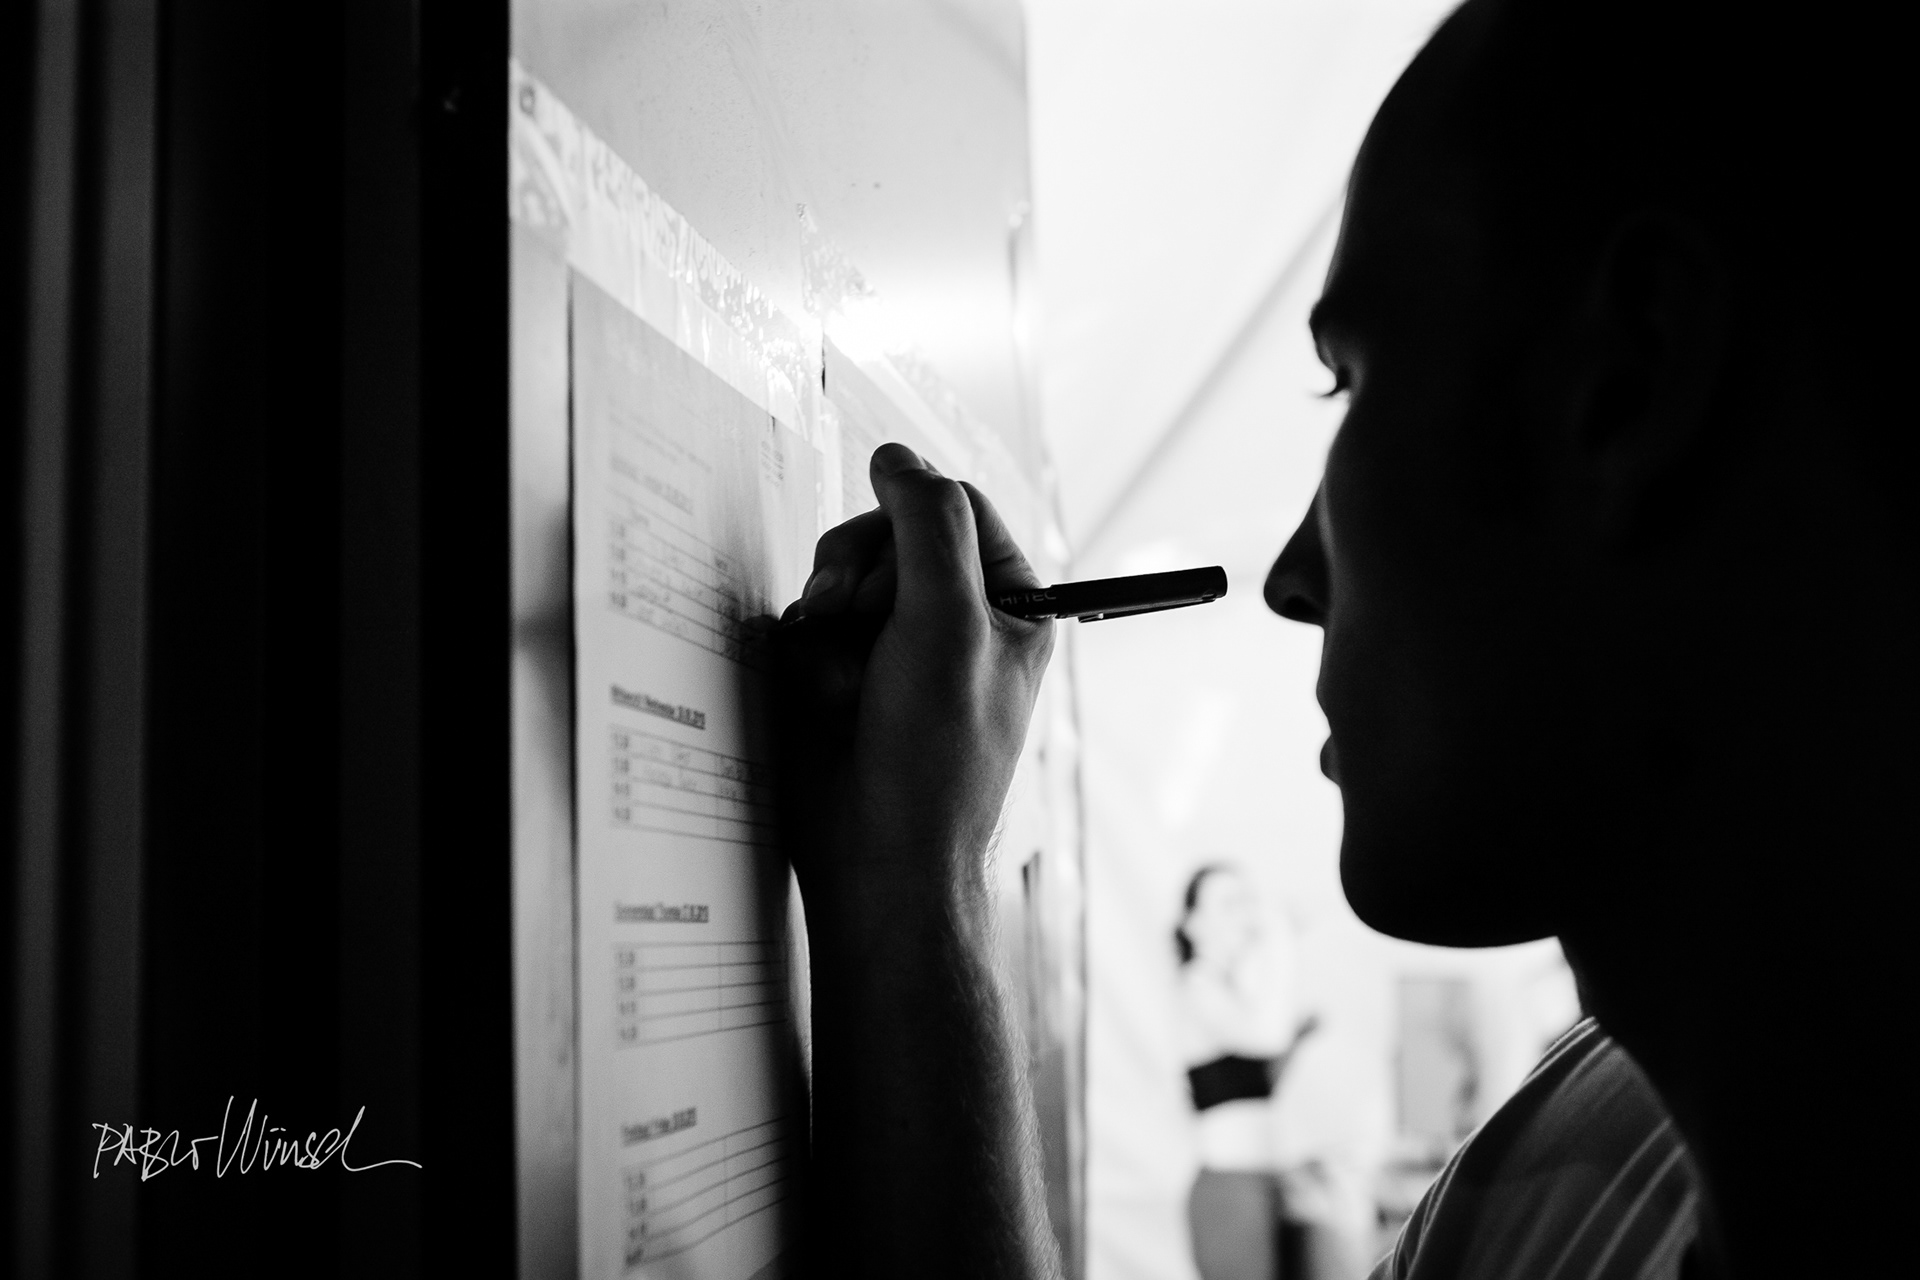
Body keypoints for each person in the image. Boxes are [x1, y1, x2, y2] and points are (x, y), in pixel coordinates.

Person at [769, 0, 1911, 1275]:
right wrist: (912, 875)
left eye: (1351, 380)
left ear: (1632, 379)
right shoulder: (1549, 1175)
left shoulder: (1564, 1179)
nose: (1291, 579)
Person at [1174, 865, 1317, 1280]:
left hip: (1261, 1182)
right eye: (1229, 903)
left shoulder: (1233, 990)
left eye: (1248, 900)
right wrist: (1281, 940)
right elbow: (1268, 1036)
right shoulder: (1196, 985)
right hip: (1231, 1188)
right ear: (1192, 924)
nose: (1246, 914)